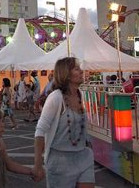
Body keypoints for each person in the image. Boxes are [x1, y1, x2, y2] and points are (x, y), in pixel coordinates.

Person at [33, 57, 94, 188]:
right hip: (60, 161)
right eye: (77, 69)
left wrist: (88, 143)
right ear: (66, 74)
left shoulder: (80, 95)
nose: (81, 71)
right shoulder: (55, 98)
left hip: (83, 156)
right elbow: (40, 131)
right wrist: (38, 165)